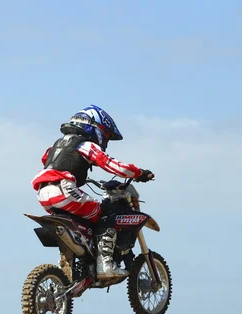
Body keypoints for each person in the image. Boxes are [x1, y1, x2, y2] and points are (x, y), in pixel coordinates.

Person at [32, 105, 154, 279]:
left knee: (84, 220)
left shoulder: (56, 145)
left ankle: (76, 260)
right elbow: (113, 165)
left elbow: (47, 160)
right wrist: (139, 173)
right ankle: (105, 264)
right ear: (97, 128)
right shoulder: (86, 145)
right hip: (64, 190)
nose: (105, 141)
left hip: (43, 193)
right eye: (106, 136)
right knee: (106, 215)